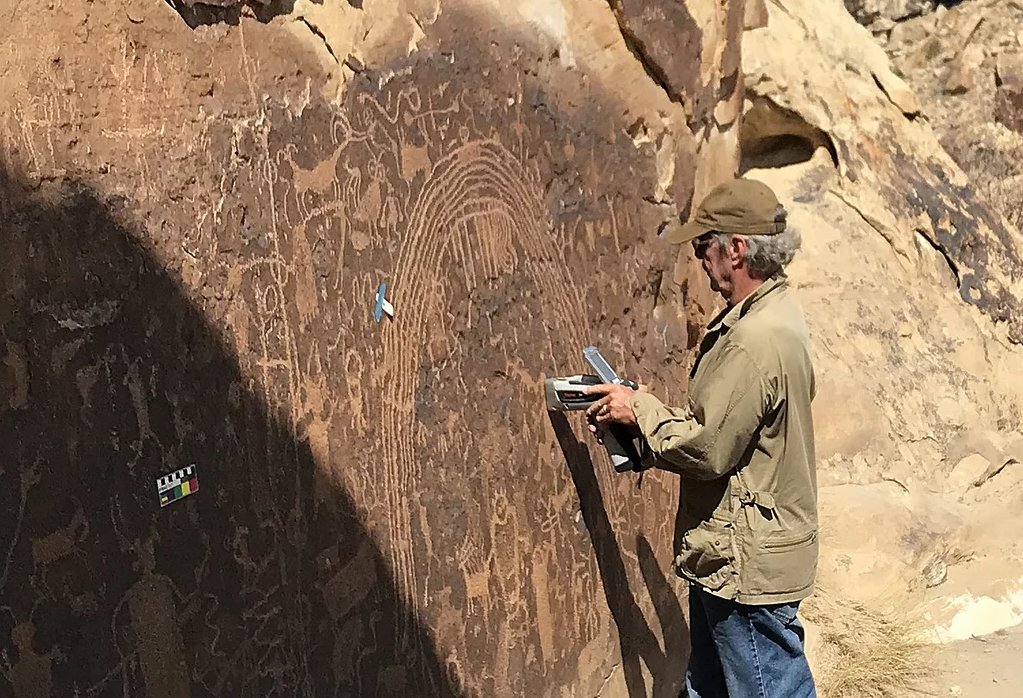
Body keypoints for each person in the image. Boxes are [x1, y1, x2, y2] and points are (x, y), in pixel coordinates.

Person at [584, 178, 818, 697]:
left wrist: (639, 409)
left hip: (746, 562)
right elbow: (733, 431)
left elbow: (712, 449)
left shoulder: (754, 339)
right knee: (709, 686)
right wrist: (644, 424)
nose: (701, 264)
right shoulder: (774, 315)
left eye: (701, 247)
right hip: (737, 551)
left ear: (735, 248)